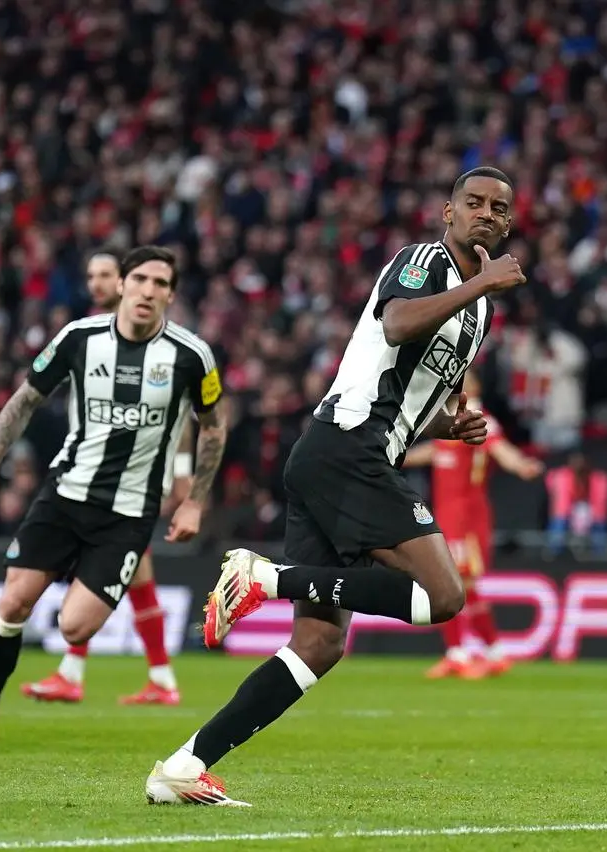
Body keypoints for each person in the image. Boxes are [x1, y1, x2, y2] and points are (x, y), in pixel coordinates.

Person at [145, 167, 527, 805]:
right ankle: (264, 578)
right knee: (442, 595)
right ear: (447, 212)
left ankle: (183, 766)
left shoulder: (480, 308)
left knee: (319, 644)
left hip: (350, 455)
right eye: (473, 202)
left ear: (509, 222)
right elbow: (399, 323)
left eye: (499, 207)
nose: (486, 213)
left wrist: (449, 423)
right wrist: (483, 280)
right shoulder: (423, 262)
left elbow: (407, 385)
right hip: (350, 448)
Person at [0, 245, 227, 743]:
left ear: (171, 295)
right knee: (13, 601)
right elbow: (22, 402)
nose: (148, 290)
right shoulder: (79, 338)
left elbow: (214, 428)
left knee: (74, 628)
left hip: (129, 515)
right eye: (140, 278)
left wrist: (195, 499)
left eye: (161, 283)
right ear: (121, 284)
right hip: (65, 495)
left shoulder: (191, 355)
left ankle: (133, 675)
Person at [20, 250, 190, 706]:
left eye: (106, 275)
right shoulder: (88, 338)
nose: (96, 283)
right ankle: (156, 677)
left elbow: (191, 414)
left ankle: (85, 673)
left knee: (112, 572)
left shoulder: (158, 346)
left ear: (123, 283)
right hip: (99, 478)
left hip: (130, 487)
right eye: (91, 274)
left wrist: (184, 477)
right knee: (139, 580)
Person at [402, 370, 544, 679]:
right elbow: (436, 451)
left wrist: (521, 465)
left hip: (467, 516)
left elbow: (499, 448)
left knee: (458, 584)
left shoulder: (480, 418)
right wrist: (398, 458)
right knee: (449, 582)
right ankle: (470, 653)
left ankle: (481, 653)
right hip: (447, 515)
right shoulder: (448, 419)